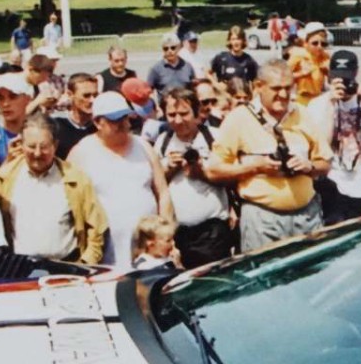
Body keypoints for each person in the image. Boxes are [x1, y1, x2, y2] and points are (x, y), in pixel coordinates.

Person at [209, 62, 331, 250]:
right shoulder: (239, 118)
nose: (283, 95)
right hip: (262, 220)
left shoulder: (303, 114)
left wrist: (309, 167)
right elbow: (213, 170)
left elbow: (325, 162)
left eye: (288, 88)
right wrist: (255, 167)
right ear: (259, 87)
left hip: (307, 216)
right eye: (276, 88)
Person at [68, 92, 171, 268]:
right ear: (97, 122)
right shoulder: (81, 152)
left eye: (125, 117)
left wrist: (167, 236)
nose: (123, 124)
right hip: (106, 253)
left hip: (148, 250)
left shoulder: (143, 146)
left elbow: (162, 193)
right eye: (115, 120)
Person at [0, 115, 106, 266]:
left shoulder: (77, 179)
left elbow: (97, 229)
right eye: (31, 146)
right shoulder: (2, 180)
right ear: (21, 145)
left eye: (44, 147)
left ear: (55, 146)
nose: (37, 153)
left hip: (67, 268)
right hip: (20, 269)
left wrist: (85, 264)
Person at [154, 88, 235, 267]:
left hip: (212, 231)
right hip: (178, 233)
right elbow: (155, 185)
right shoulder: (162, 141)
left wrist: (202, 172)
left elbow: (232, 179)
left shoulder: (214, 137)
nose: (178, 120)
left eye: (184, 114)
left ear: (197, 112)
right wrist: (169, 168)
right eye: (171, 114)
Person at [306, 50, 361, 223]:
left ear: (356, 73)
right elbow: (321, 149)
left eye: (347, 78)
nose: (343, 83)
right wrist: (330, 105)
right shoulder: (317, 105)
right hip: (335, 185)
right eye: (338, 78)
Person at [51, 73, 101, 159]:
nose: (93, 100)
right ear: (70, 94)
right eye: (86, 96)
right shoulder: (55, 126)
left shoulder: (101, 126)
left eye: (95, 95)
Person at [287, 22, 331, 105]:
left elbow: (332, 81)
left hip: (319, 98)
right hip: (302, 99)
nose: (319, 47)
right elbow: (282, 77)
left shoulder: (325, 56)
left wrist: (328, 72)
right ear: (306, 43)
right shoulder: (298, 55)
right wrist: (301, 74)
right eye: (315, 43)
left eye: (323, 44)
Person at [146, 35, 195, 102]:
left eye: (173, 48)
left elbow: (193, 88)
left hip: (185, 107)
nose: (169, 51)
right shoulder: (155, 69)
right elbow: (148, 91)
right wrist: (155, 107)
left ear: (179, 47)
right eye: (166, 49)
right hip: (166, 108)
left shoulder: (187, 66)